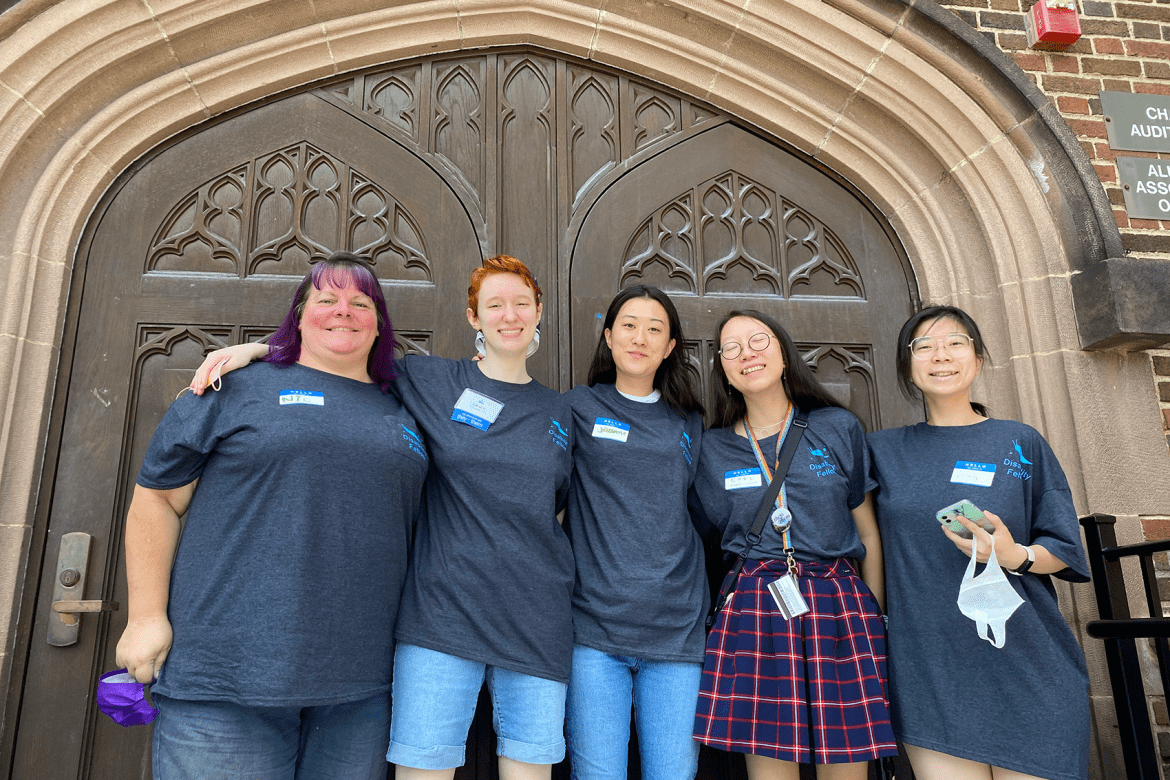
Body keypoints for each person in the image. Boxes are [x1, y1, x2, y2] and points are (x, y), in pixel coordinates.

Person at [190, 255, 574, 780]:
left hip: (535, 619)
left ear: (538, 313)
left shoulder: (562, 412)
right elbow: (340, 357)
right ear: (473, 318)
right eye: (495, 305)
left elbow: (559, 506)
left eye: (521, 304)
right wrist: (260, 350)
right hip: (442, 616)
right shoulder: (427, 379)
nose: (510, 315)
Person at [115, 251, 427, 780]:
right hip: (226, 674)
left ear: (380, 324)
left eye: (360, 302)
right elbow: (158, 498)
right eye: (326, 300)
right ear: (299, 316)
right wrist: (146, 616)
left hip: (362, 686)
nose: (343, 311)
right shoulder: (229, 387)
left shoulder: (412, 403)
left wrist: (263, 347)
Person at [866, 305, 1090, 780]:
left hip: (1027, 660)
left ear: (979, 358)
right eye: (924, 346)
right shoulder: (880, 451)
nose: (940, 355)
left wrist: (1015, 555)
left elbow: (1064, 548)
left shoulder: (1019, 442)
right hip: (931, 667)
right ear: (908, 366)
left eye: (955, 343)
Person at [689, 309, 896, 780]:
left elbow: (868, 532)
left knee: (846, 770)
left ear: (783, 355)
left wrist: (876, 616)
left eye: (758, 341)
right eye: (732, 348)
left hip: (840, 606)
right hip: (755, 608)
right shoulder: (713, 449)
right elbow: (704, 543)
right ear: (722, 368)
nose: (747, 354)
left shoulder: (836, 427)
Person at [562, 285, 707, 780]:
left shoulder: (690, 421)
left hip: (676, 632)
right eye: (628, 325)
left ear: (669, 347)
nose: (639, 337)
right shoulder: (578, 408)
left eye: (654, 329)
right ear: (608, 336)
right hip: (594, 631)